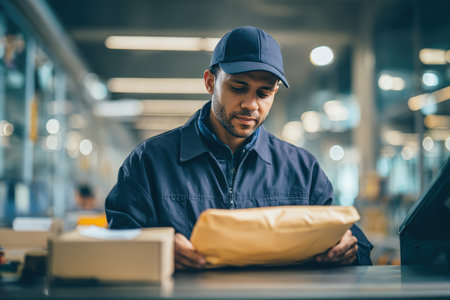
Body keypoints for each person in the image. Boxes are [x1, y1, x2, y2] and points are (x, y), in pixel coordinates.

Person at [105, 26, 373, 269]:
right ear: (210, 82)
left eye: (263, 93)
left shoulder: (302, 170)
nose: (251, 104)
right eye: (238, 88)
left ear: (275, 92)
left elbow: (355, 243)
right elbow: (117, 244)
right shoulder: (149, 162)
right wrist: (158, 249)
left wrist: (348, 249)